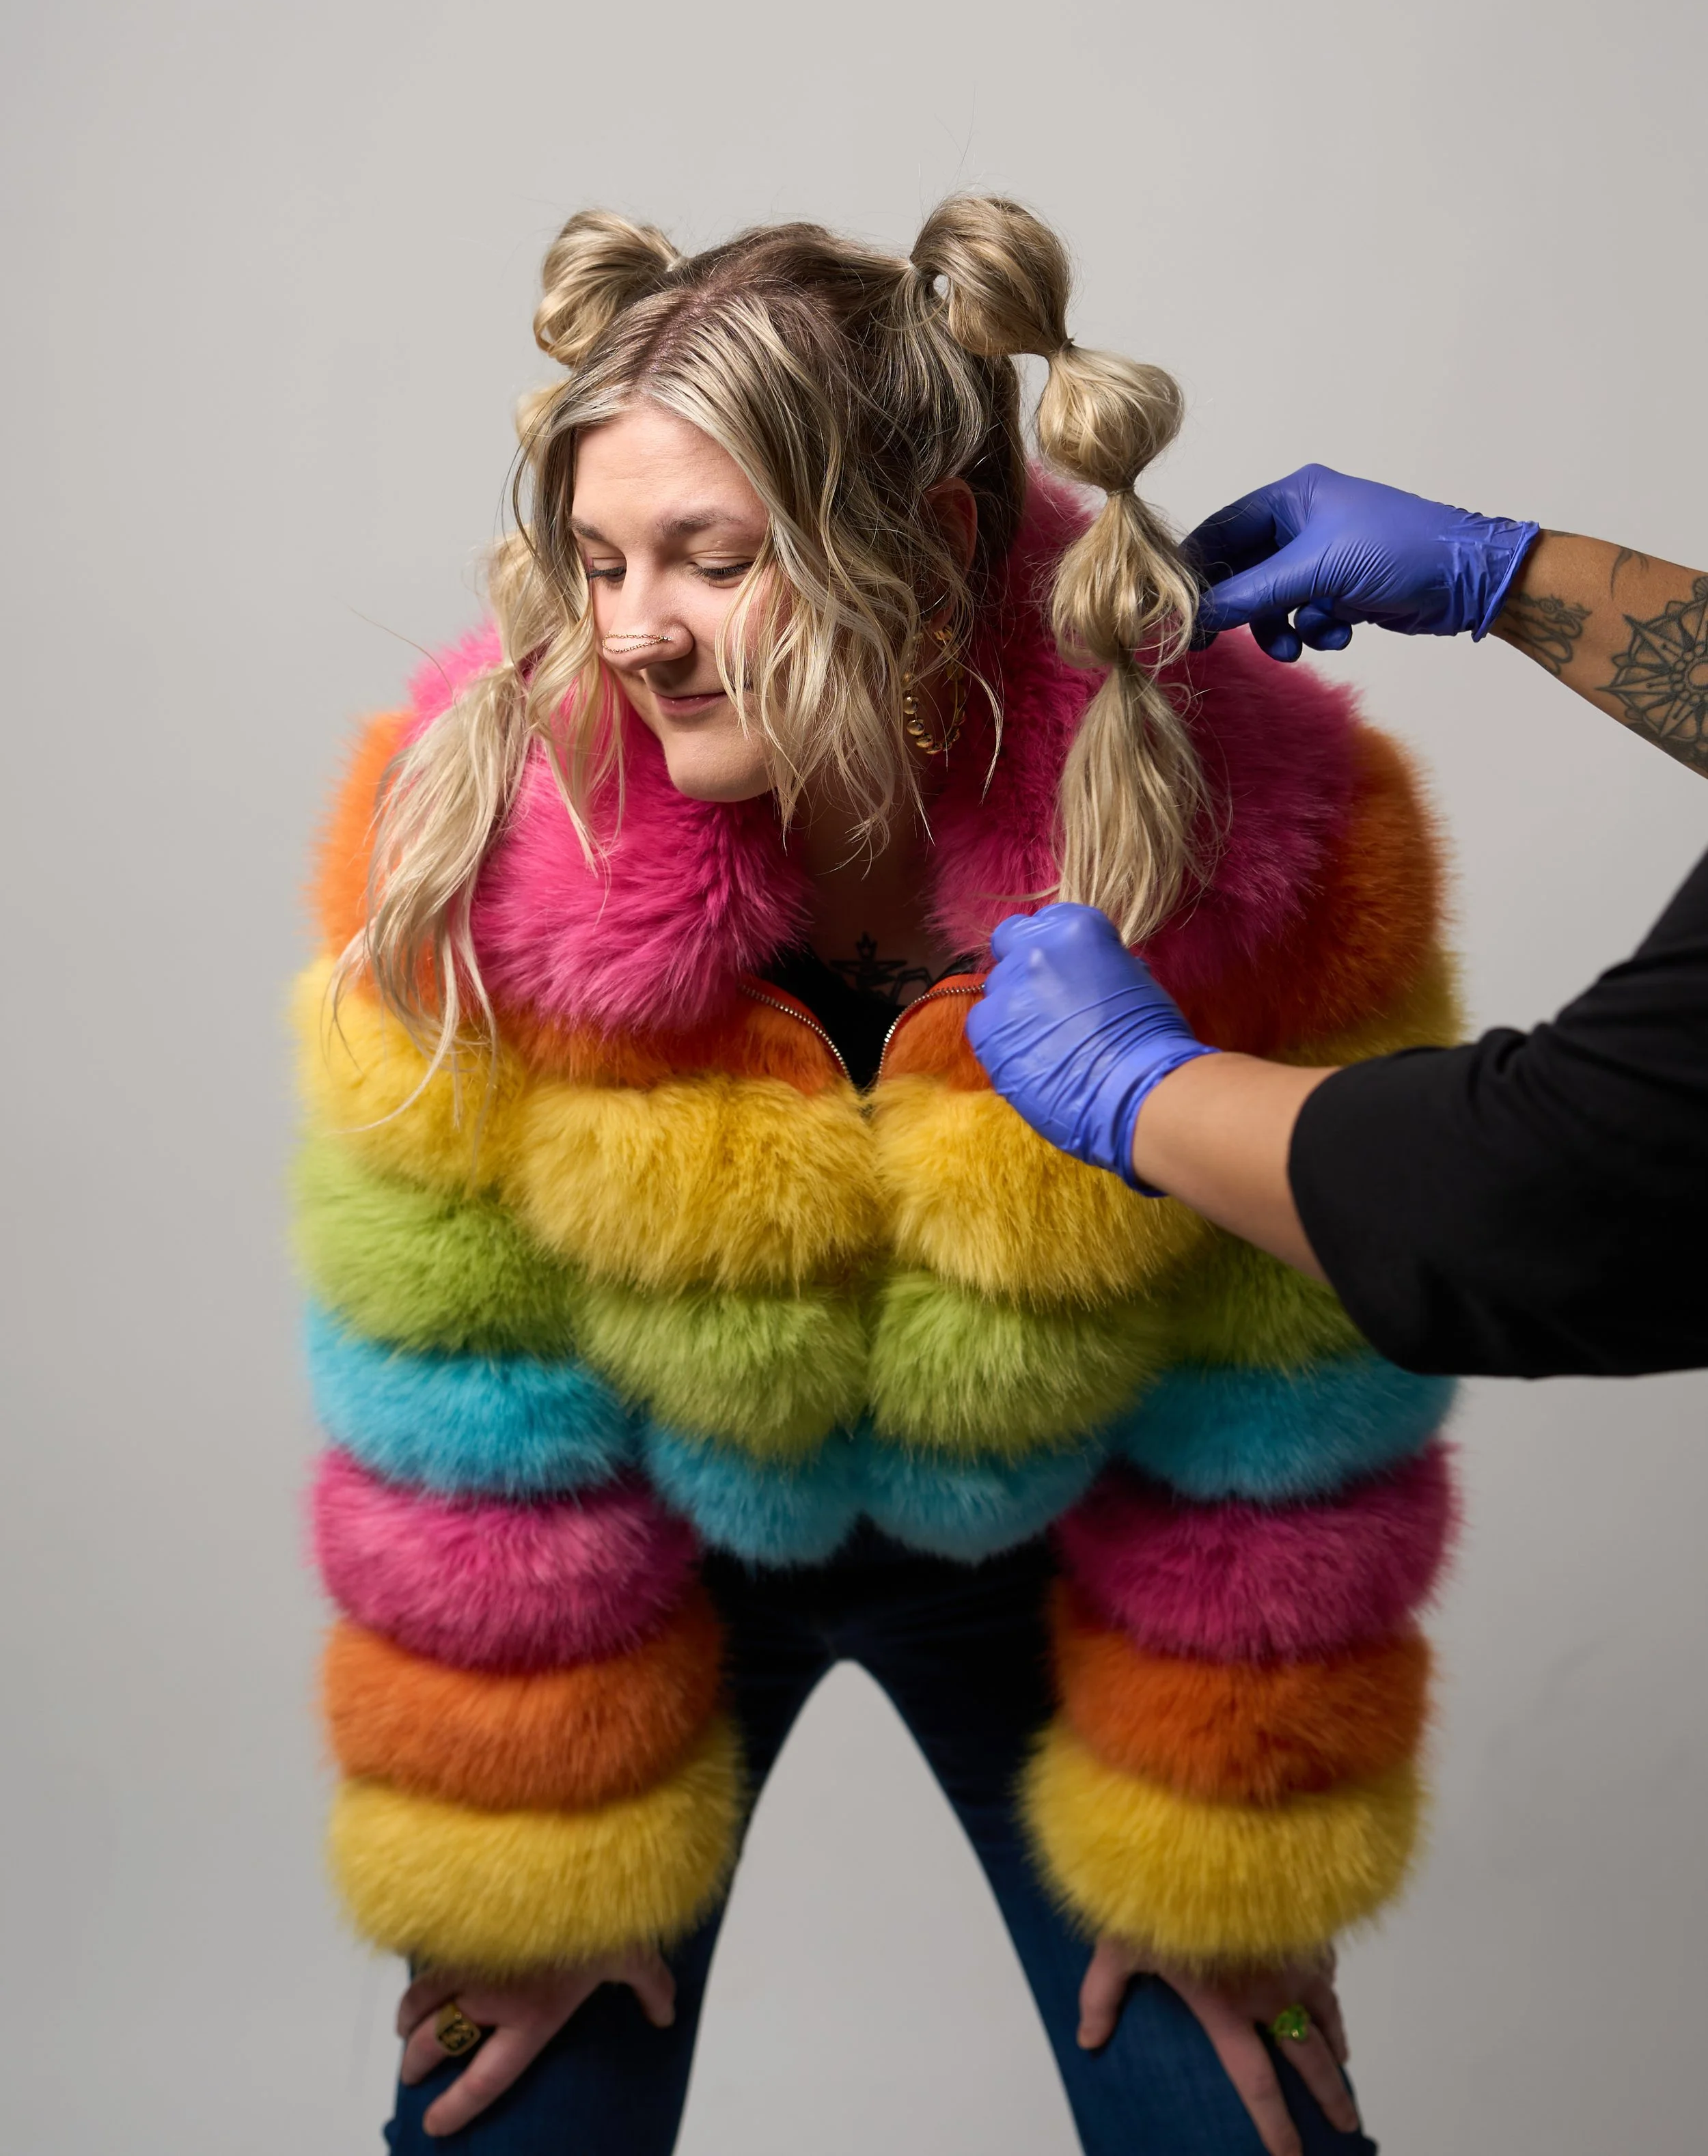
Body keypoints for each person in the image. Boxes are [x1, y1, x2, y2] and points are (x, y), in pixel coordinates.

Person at [299, 209, 1463, 2156]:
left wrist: (1222, 1852)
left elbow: (1292, 1365)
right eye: (599, 558)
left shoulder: (1250, 807)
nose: (631, 626)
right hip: (635, 1546)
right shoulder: (487, 811)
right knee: (502, 2117)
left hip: (1082, 1537)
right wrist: (513, 1851)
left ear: (923, 538)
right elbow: (457, 1367)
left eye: (711, 556)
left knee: (1244, 2122)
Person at [969, 466, 1708, 1381]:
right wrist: (1509, 574)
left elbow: (1572, 1202)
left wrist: (1137, 1090)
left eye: (732, 563)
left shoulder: (1294, 838)